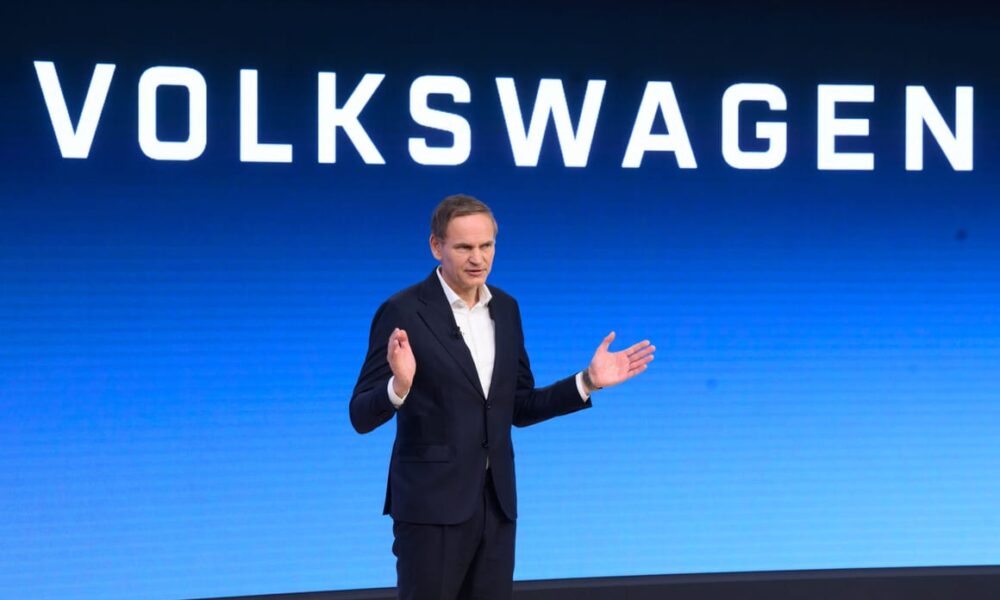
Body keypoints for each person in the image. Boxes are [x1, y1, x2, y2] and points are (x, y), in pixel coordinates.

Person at [350, 194, 654, 600]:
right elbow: (360, 415)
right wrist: (399, 387)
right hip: (431, 507)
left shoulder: (507, 309)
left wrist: (587, 381)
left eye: (486, 245)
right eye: (464, 247)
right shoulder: (403, 310)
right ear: (436, 247)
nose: (478, 258)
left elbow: (519, 406)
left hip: (497, 505)